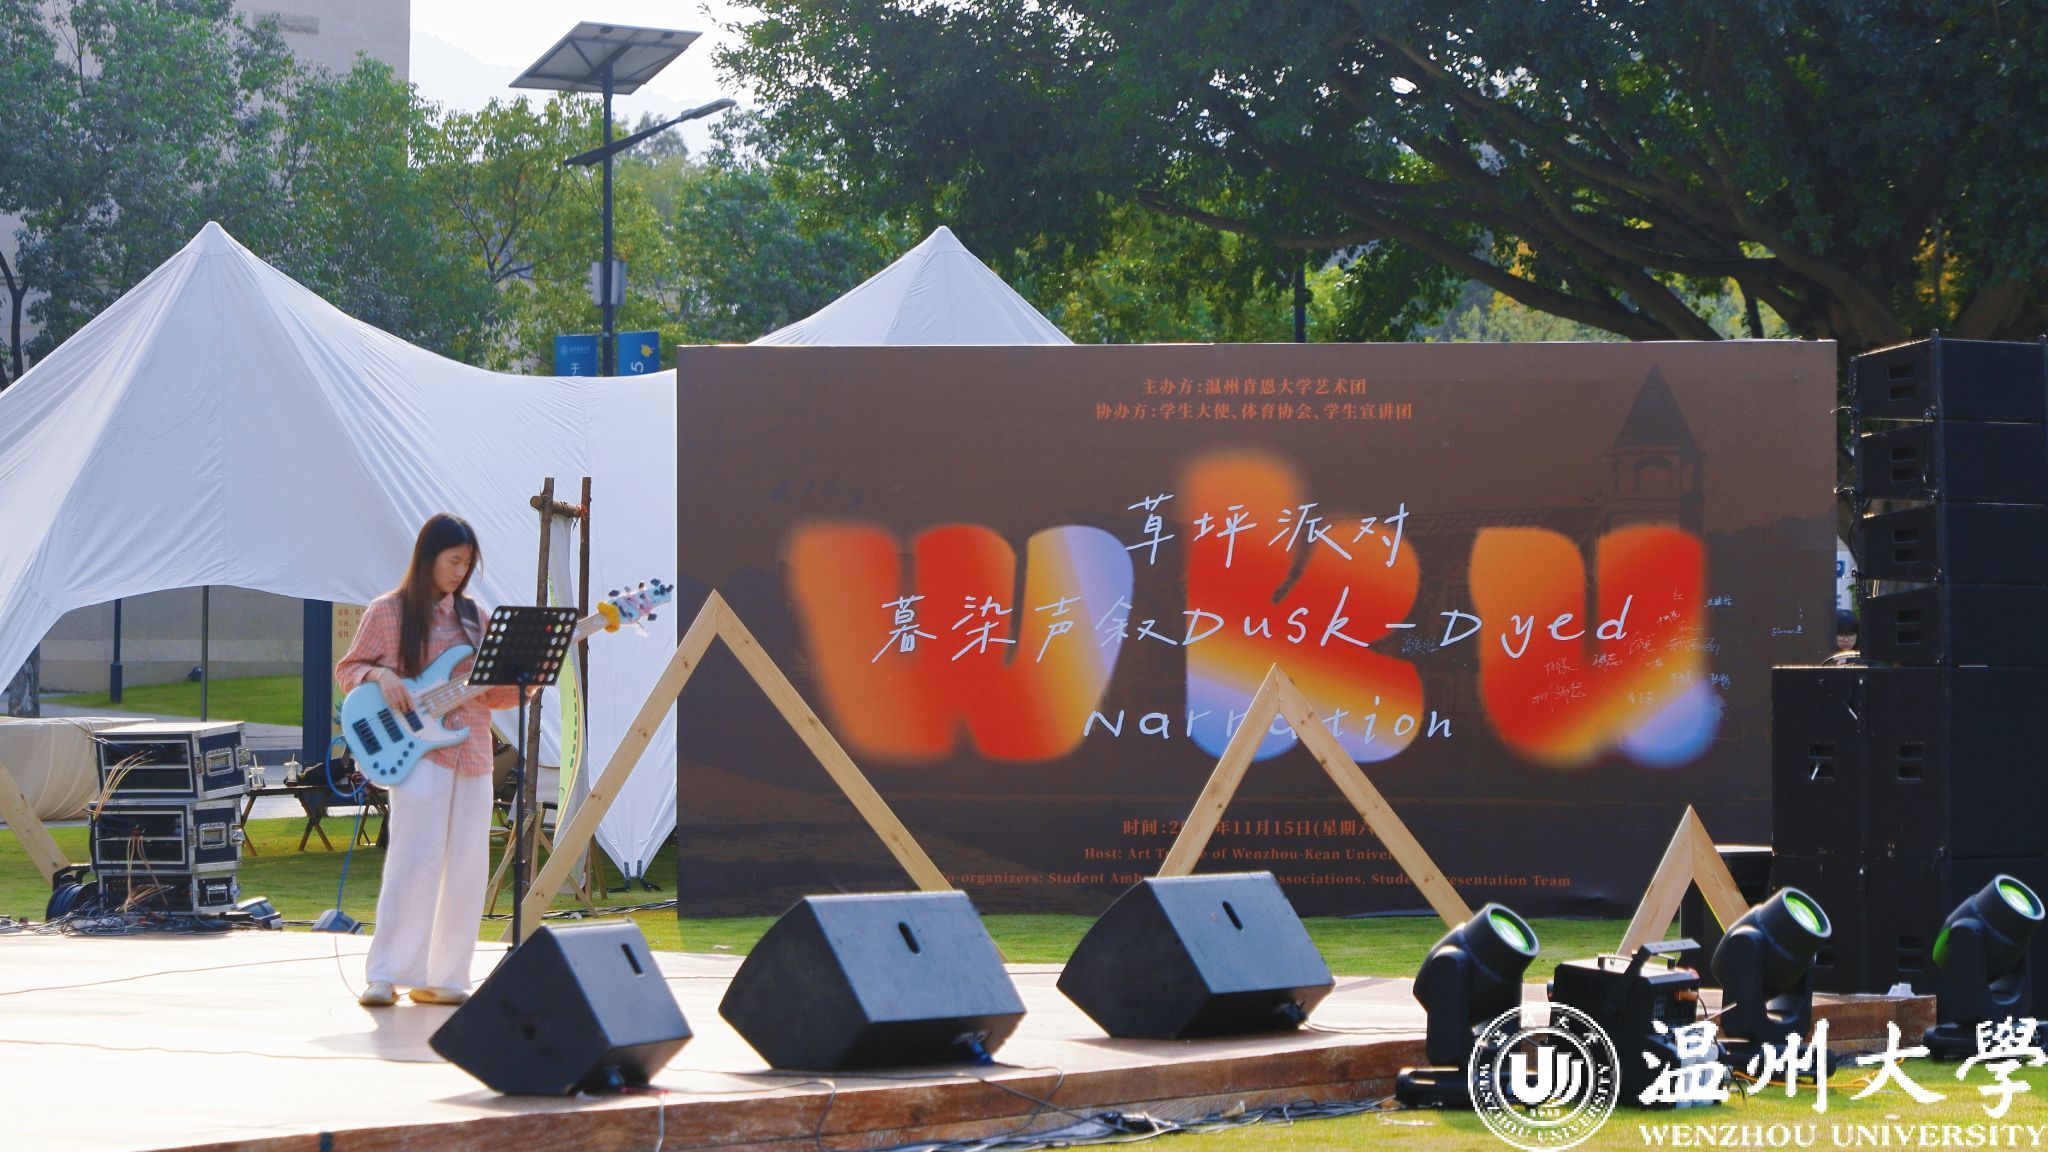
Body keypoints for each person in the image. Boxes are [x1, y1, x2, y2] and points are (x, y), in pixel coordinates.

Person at [335, 514, 528, 1007]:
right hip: (417, 754)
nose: (461, 571)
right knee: (414, 860)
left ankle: (446, 977)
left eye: (467, 563)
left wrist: (526, 679)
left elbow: (495, 695)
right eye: (454, 560)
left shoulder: (477, 616)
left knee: (467, 867)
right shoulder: (388, 611)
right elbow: (348, 668)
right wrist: (381, 676)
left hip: (474, 752)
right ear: (428, 556)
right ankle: (386, 974)